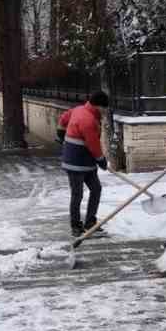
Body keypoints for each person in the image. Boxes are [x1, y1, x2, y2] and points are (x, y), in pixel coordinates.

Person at [59, 91, 110, 237]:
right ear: (98, 106)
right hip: (75, 163)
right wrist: (101, 159)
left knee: (96, 189)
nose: (106, 111)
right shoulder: (88, 120)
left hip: (87, 162)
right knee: (77, 194)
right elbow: (93, 143)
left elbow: (64, 117)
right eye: (105, 108)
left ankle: (90, 222)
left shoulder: (79, 109)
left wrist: (60, 131)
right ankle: (76, 225)